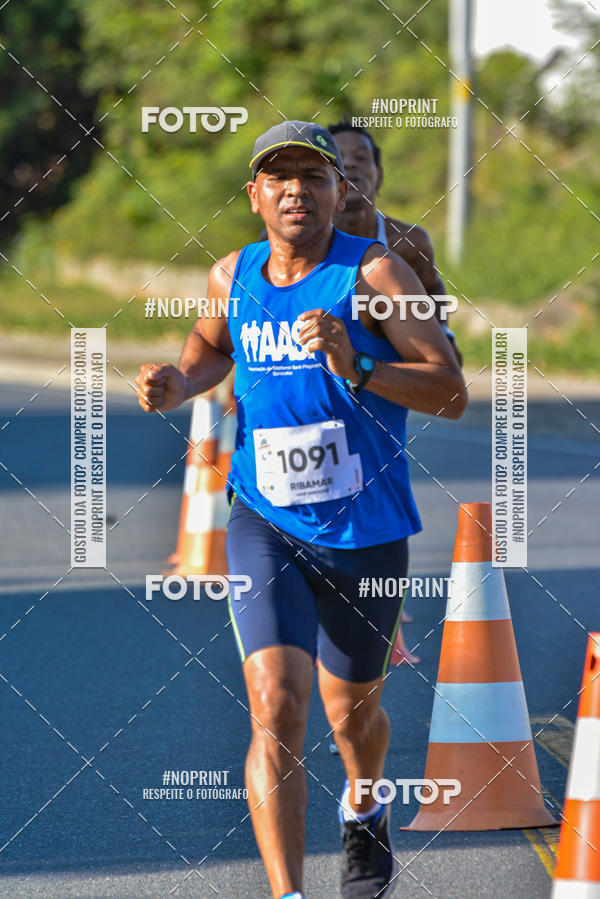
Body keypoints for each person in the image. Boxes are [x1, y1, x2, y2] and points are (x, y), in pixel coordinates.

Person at [136, 120, 467, 899]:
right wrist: (178, 385)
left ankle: (365, 803)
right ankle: (287, 893)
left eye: (313, 177)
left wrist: (358, 365)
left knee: (351, 714)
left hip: (365, 527)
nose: (296, 190)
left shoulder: (377, 273)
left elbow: (449, 389)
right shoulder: (232, 274)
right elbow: (209, 346)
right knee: (276, 706)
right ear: (254, 195)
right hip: (263, 518)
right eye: (278, 177)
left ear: (340, 191)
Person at [328, 120, 463, 367]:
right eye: (338, 158)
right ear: (320, 177)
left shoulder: (408, 243)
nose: (349, 163)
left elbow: (432, 288)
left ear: (379, 175)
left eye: (361, 157)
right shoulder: (293, 243)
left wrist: (444, 334)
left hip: (383, 377)